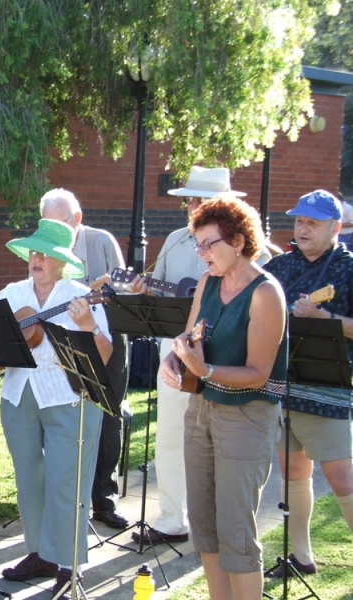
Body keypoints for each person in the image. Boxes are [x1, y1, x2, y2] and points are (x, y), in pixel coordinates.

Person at [130, 166, 264, 547]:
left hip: (229, 359)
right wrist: (145, 291)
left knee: (223, 444)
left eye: (200, 200)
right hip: (179, 349)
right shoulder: (175, 240)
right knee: (172, 436)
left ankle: (221, 526)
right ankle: (173, 520)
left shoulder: (252, 249)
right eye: (189, 200)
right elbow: (163, 292)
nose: (192, 206)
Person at [160, 196, 287, 599]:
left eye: (208, 244)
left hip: (246, 418)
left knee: (236, 533)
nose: (201, 254)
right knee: (205, 529)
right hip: (201, 410)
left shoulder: (266, 293)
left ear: (237, 241)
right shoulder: (207, 283)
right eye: (197, 244)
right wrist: (175, 356)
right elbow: (189, 336)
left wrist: (205, 371)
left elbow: (258, 372)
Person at [0, 219, 113, 598]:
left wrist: (89, 323)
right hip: (19, 395)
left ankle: (69, 565)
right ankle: (39, 554)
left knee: (67, 482)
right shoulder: (12, 293)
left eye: (45, 253)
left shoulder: (82, 295)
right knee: (29, 479)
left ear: (62, 261)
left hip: (69, 396)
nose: (37, 258)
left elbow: (104, 354)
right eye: (34, 251)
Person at [263, 189, 353, 577]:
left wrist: (325, 319)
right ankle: (301, 557)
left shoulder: (349, 268)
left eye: (312, 223)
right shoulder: (279, 266)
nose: (302, 228)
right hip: (280, 384)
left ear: (336, 227)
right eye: (299, 220)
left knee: (342, 478)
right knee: (293, 473)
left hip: (326, 386)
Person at [39, 188, 130, 530]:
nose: (52, 231)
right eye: (45, 224)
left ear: (76, 219)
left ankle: (102, 499)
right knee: (57, 413)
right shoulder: (42, 246)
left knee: (107, 414)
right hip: (58, 337)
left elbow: (122, 290)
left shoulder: (101, 241)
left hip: (104, 335)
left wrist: (100, 296)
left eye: (59, 224)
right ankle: (59, 496)